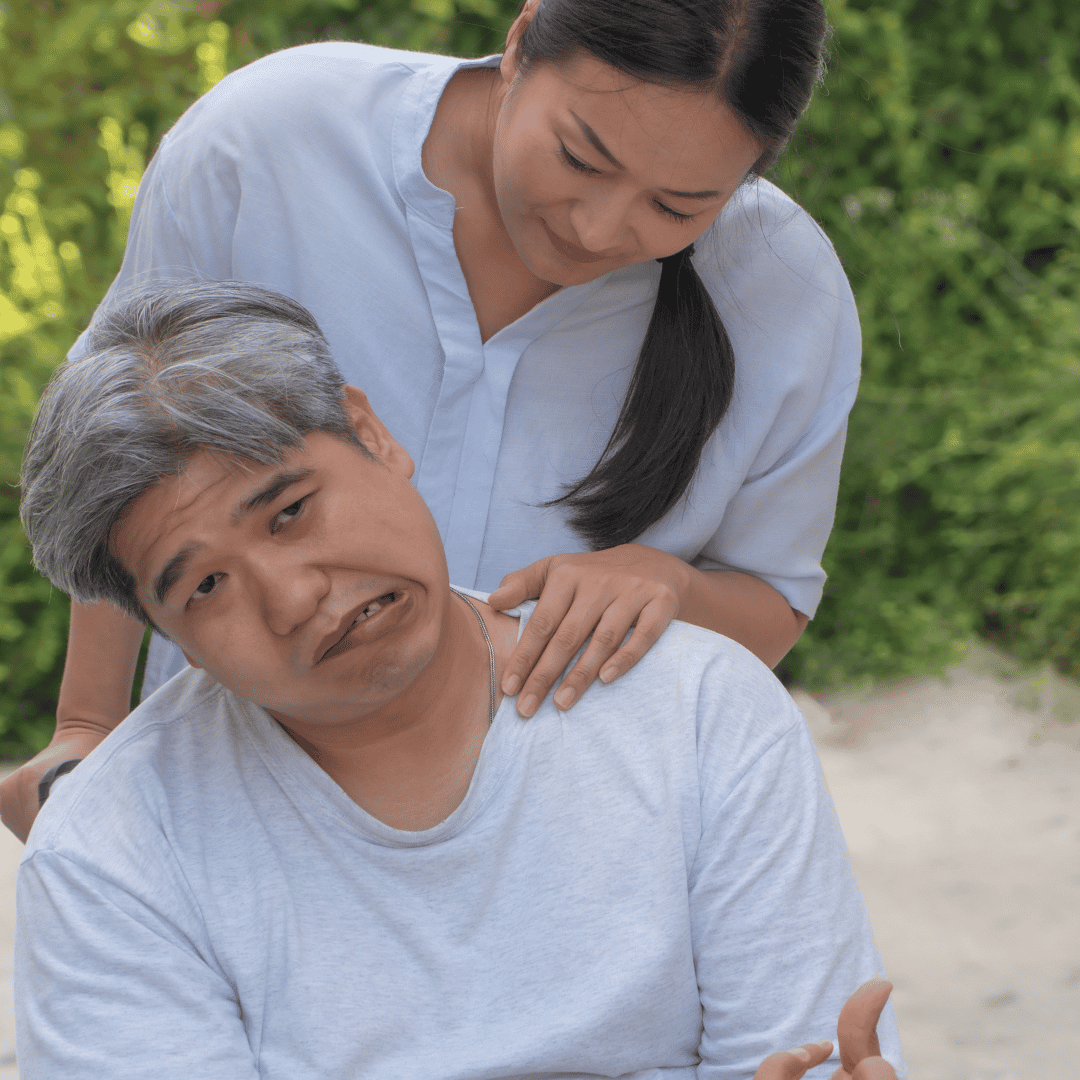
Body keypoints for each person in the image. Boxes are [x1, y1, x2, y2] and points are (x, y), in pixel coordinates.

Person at [2, 0, 862, 841]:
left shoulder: (782, 291)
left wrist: (670, 586)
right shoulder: (269, 143)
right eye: (579, 158)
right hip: (243, 810)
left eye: (676, 208)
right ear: (523, 43)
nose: (600, 230)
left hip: (575, 836)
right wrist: (87, 725)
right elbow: (126, 459)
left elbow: (772, 594)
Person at [17, 284, 903, 1080]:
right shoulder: (111, 859)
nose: (293, 599)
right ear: (169, 634)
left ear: (372, 435)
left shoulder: (699, 712)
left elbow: (798, 1055)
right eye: (204, 587)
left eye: (290, 511)